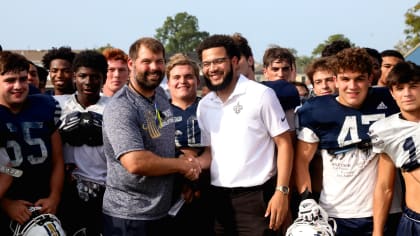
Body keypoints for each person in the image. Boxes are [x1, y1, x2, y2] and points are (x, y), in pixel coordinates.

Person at [294, 48, 402, 236]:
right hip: (336, 210)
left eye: (359, 79)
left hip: (387, 210)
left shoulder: (391, 100)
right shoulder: (316, 110)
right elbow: (302, 160)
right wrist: (307, 198)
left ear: (370, 78)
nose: (352, 86)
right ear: (335, 80)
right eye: (345, 79)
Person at [101, 37, 201, 236]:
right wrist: (182, 166)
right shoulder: (121, 107)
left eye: (159, 61)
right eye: (147, 61)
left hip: (160, 213)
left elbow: (158, 141)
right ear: (131, 64)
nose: (154, 67)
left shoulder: (160, 98)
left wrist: (183, 166)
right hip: (128, 217)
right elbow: (136, 162)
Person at [195, 34, 293, 235]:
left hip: (257, 200)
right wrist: (188, 164)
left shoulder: (261, 95)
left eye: (218, 61)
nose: (212, 68)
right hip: (218, 201)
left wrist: (282, 192)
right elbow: (209, 152)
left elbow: (284, 144)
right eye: (207, 63)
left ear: (234, 61)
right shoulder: (204, 105)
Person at [0, 51, 64, 235]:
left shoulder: (44, 106)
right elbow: (5, 170)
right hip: (8, 201)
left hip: (42, 200)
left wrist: (55, 196)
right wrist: (6, 204)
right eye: (10, 80)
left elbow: (58, 159)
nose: (18, 86)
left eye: (22, 79)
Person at [54, 50, 109, 235]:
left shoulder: (115, 107)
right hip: (68, 188)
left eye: (95, 77)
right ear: (74, 77)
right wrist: (61, 132)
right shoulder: (57, 105)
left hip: (105, 188)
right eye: (83, 76)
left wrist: (106, 132)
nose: (88, 82)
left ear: (104, 78)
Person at [369, 61, 420, 236]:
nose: (407, 94)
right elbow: (384, 186)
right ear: (392, 93)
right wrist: (377, 232)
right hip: (414, 222)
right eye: (400, 88)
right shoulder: (385, 130)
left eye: (413, 86)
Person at [166, 53, 214, 236]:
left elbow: (217, 148)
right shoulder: (158, 113)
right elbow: (154, 149)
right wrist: (182, 163)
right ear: (168, 82)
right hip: (170, 190)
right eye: (176, 77)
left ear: (197, 80)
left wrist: (194, 167)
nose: (182, 81)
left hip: (207, 187)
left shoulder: (210, 109)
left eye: (188, 76)